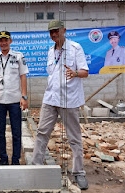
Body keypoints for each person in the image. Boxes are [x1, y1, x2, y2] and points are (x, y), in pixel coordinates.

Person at [31, 20, 89, 190]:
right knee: (42, 132)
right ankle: (35, 167)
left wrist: (75, 73)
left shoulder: (75, 48)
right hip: (50, 98)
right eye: (51, 32)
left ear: (64, 30)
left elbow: (85, 72)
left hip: (69, 100)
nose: (54, 34)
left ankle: (78, 172)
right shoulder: (51, 51)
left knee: (74, 138)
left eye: (56, 31)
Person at [0, 31, 29, 165]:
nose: (3, 43)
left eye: (6, 40)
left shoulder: (18, 56)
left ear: (10, 41)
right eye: (1, 40)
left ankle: (15, 159)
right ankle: (3, 159)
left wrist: (24, 96)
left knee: (16, 132)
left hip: (15, 100)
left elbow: (23, 76)